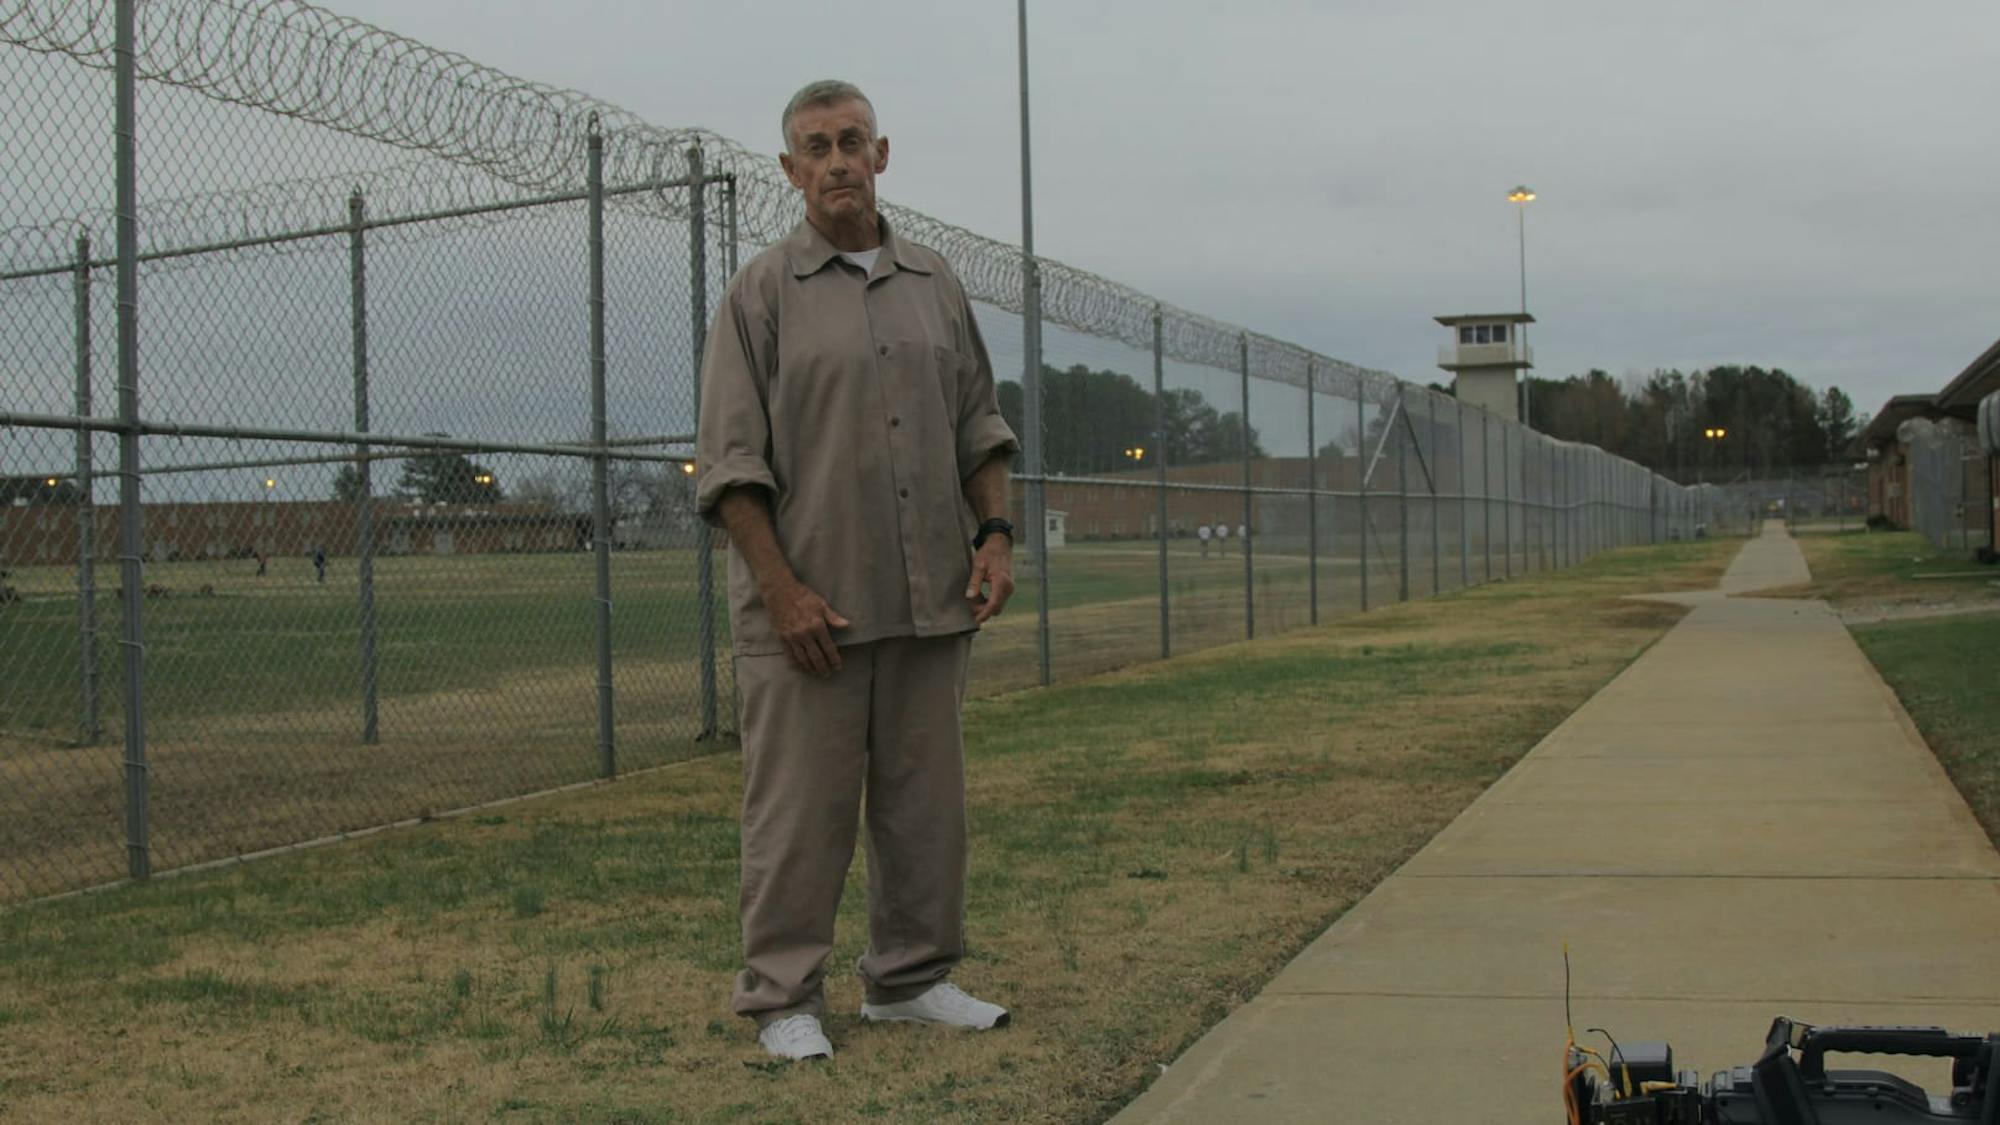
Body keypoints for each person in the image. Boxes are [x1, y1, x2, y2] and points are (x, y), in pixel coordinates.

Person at [695, 79, 1020, 1063]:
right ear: (791, 172)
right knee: (798, 816)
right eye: (814, 148)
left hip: (928, 601)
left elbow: (979, 427)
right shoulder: (760, 296)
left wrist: (994, 536)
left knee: (925, 811)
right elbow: (730, 464)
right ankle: (783, 997)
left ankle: (910, 980)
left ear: (881, 156)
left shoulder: (935, 286)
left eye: (851, 142)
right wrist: (779, 589)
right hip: (811, 611)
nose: (835, 161)